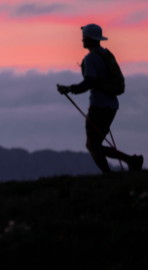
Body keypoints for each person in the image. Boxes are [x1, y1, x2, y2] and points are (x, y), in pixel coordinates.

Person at [57, 24, 142, 173]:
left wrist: (69, 89)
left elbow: (89, 82)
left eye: (83, 37)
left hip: (98, 106)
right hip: (112, 106)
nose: (82, 39)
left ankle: (109, 175)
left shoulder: (90, 59)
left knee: (92, 145)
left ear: (89, 39)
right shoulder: (106, 55)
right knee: (96, 144)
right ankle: (131, 161)